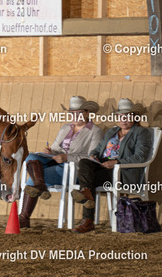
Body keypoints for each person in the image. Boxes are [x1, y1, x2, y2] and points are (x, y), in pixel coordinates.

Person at [70, 98, 153, 233]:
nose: (123, 120)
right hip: (104, 167)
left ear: (135, 117)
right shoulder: (111, 132)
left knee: (88, 180)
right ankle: (86, 194)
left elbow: (140, 156)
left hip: (122, 172)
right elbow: (97, 150)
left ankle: (87, 220)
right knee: (85, 162)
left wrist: (117, 162)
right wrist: (93, 155)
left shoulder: (141, 132)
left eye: (127, 116)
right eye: (120, 116)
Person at [19, 96, 103, 228]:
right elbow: (55, 148)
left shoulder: (95, 131)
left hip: (74, 169)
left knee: (33, 178)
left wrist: (67, 157)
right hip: (56, 161)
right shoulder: (65, 128)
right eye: (72, 113)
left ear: (87, 113)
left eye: (79, 112)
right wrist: (50, 152)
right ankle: (39, 185)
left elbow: (91, 157)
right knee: (31, 156)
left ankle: (24, 217)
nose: (75, 116)